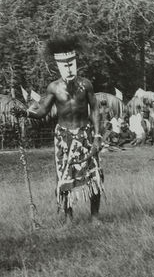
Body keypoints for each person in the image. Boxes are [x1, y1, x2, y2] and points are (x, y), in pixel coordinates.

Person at [15, 35, 103, 222]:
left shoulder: (86, 84)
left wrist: (97, 136)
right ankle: (68, 218)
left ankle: (95, 217)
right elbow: (42, 111)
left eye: (72, 64)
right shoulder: (54, 88)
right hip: (64, 138)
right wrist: (25, 113)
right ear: (59, 66)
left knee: (93, 176)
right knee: (64, 178)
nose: (69, 69)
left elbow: (95, 108)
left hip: (85, 135)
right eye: (65, 66)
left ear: (76, 63)